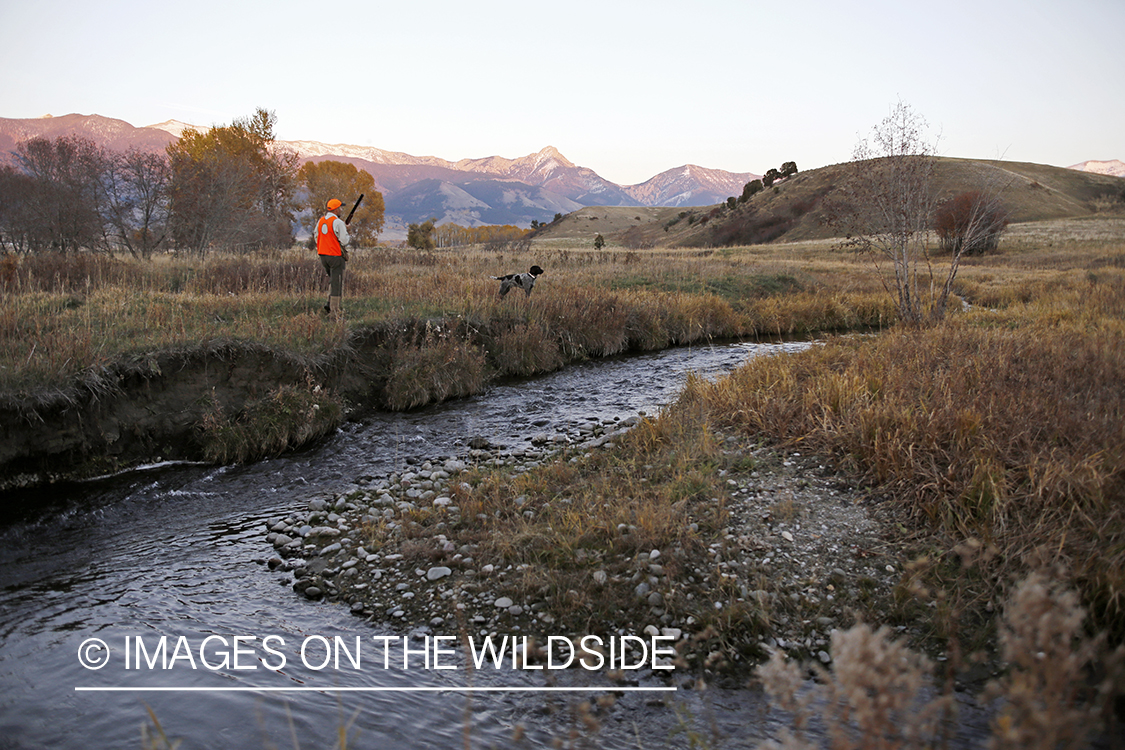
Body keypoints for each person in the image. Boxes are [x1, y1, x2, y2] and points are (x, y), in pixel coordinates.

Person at [316, 198, 350, 316]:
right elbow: (344, 241)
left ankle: (329, 304)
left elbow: (316, 235)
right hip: (335, 256)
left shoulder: (321, 221)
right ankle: (334, 311)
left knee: (332, 279)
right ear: (336, 209)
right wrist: (347, 231)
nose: (341, 210)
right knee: (337, 282)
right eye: (340, 207)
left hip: (323, 256)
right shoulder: (338, 223)